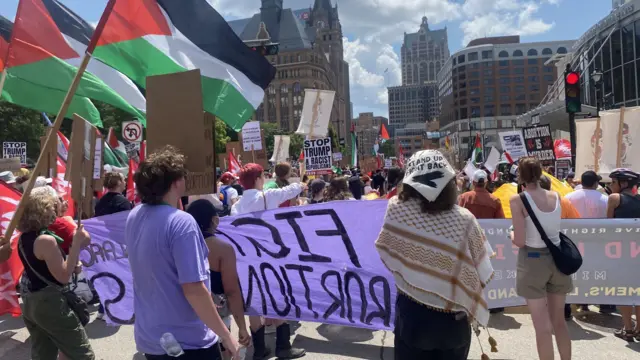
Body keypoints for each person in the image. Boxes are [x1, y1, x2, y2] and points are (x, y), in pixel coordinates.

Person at [375, 150, 495, 360]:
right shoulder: (464, 219)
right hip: (454, 322)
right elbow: (481, 269)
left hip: (412, 316)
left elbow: (388, 252)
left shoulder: (397, 208)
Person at [126, 146, 239, 359]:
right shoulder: (182, 222)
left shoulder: (134, 215)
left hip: (151, 338)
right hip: (187, 343)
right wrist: (225, 335)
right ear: (176, 182)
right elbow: (194, 289)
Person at [230, 163, 306, 359]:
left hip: (247, 262)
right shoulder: (266, 196)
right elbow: (290, 190)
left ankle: (260, 350)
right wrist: (302, 182)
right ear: (257, 179)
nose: (264, 179)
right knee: (279, 299)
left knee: (254, 304)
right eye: (262, 176)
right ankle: (283, 347)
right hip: (270, 258)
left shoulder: (236, 205)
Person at [18, 187, 94, 359]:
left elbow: (45, 268)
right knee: (82, 354)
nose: (56, 210)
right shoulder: (46, 239)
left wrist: (70, 261)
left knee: (43, 354)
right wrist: (75, 243)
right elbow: (63, 276)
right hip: (50, 303)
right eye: (54, 206)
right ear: (44, 209)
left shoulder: (25, 237)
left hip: (31, 302)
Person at [509, 157, 572, 360]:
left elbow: (519, 241)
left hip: (533, 260)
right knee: (559, 322)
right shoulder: (556, 196)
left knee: (541, 326)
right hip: (557, 259)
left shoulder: (518, 200)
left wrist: (510, 233)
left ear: (520, 176)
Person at [186, 200, 252, 355]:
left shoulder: (181, 244)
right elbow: (232, 291)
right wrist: (242, 327)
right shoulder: (223, 249)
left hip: (186, 316)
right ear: (214, 220)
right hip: (217, 317)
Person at [606, 168, 640, 342]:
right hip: (638, 252)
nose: (611, 186)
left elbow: (608, 225)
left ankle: (627, 329)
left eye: (613, 182)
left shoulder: (614, 199)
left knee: (624, 291)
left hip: (621, 252)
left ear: (624, 183)